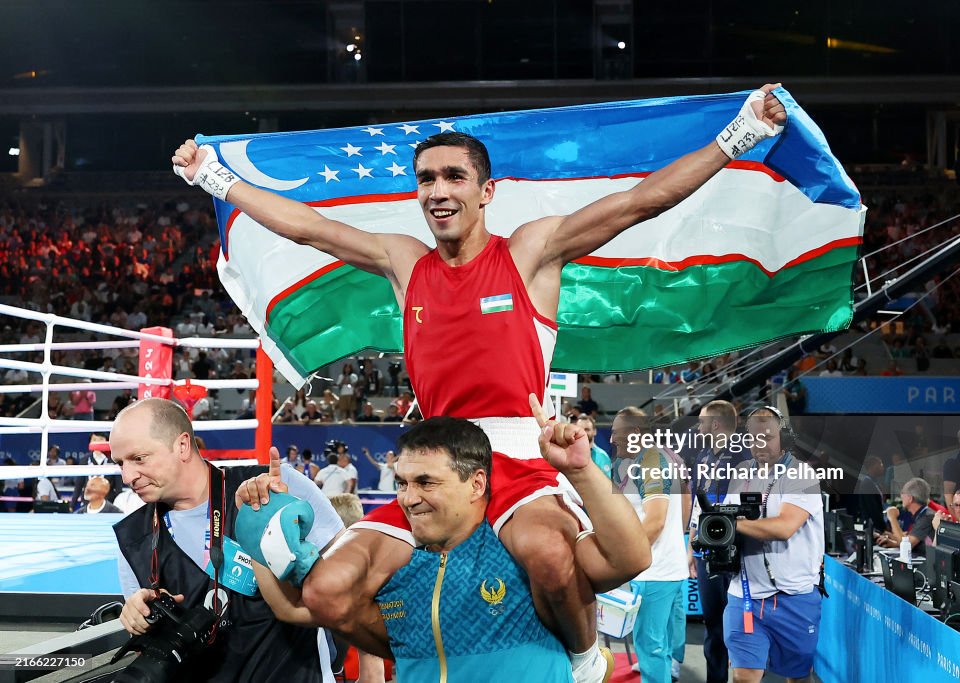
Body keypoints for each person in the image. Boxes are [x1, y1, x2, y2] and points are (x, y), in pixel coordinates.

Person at [172, 84, 785, 681]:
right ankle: (430, 652)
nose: (438, 191)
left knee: (548, 554)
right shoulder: (404, 261)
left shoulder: (528, 252)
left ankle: (580, 655)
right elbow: (307, 226)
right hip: (437, 460)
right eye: (426, 179)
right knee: (330, 593)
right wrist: (215, 179)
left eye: (453, 177)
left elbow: (639, 202)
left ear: (486, 190)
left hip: (519, 453)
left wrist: (741, 134)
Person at [234, 402, 650, 682]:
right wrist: (260, 528)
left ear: (476, 484)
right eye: (402, 483)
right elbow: (293, 607)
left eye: (426, 482)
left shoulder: (520, 552)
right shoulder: (396, 563)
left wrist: (581, 472)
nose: (409, 498)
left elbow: (630, 557)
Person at [109, 398, 343, 682]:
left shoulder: (272, 488)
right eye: (120, 463)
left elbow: (352, 580)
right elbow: (151, 652)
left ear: (182, 445)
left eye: (138, 458)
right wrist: (139, 619)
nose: (127, 476)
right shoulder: (132, 538)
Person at [722, 407, 824, 683]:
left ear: (784, 438)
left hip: (794, 597)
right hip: (744, 596)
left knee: (798, 678)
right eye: (753, 438)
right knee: (744, 676)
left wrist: (732, 524)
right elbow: (727, 520)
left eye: (767, 437)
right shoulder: (741, 473)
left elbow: (784, 527)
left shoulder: (801, 475)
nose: (759, 444)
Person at [610, 407, 690, 683]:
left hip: (654, 572)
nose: (611, 440)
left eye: (616, 433)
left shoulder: (651, 461)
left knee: (652, 650)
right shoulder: (658, 458)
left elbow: (655, 521)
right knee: (661, 648)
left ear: (634, 434)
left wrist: (623, 563)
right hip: (665, 568)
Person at [689, 400, 749, 683]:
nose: (698, 427)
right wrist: (692, 543)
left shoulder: (745, 457)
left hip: (737, 555)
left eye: (701, 421)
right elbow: (696, 504)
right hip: (705, 552)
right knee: (712, 625)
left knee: (738, 627)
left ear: (715, 424)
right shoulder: (702, 456)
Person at [876, 478, 934, 557]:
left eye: (903, 493)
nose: (901, 496)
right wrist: (893, 542)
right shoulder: (920, 515)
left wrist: (892, 518)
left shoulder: (926, 517)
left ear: (910, 498)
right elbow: (910, 539)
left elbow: (907, 545)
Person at [576, 415, 611, 479]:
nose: (583, 432)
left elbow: (605, 485)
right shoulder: (571, 454)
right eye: (580, 429)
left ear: (594, 431)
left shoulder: (602, 456)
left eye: (587, 429)